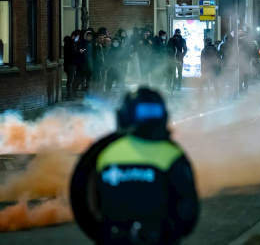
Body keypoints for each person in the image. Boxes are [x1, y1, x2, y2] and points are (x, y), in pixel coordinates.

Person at [70, 88, 199, 245]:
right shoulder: (172, 154)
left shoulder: (104, 153)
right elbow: (188, 210)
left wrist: (103, 235)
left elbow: (81, 200)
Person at [199, 38, 221, 104]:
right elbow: (219, 59)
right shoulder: (215, 49)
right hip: (214, 69)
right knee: (215, 84)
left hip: (206, 69)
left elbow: (202, 61)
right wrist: (219, 68)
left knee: (202, 84)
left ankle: (200, 98)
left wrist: (202, 70)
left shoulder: (204, 50)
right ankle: (218, 98)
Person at [63, 31, 78, 101]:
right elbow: (71, 54)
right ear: (74, 36)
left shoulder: (70, 43)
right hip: (70, 64)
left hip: (70, 64)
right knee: (70, 80)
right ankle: (69, 96)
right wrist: (78, 52)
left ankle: (70, 95)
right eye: (77, 37)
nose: (77, 38)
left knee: (70, 80)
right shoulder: (70, 44)